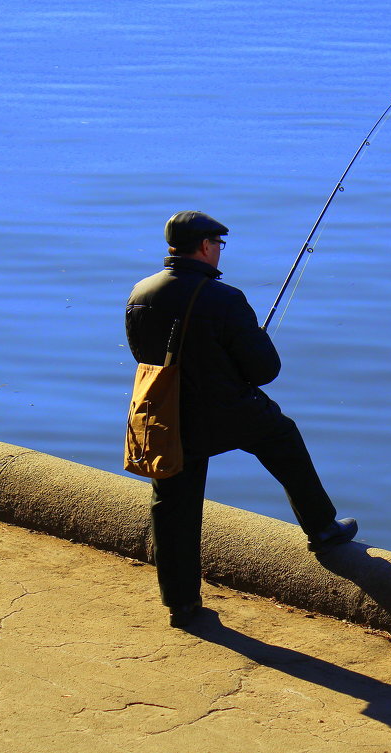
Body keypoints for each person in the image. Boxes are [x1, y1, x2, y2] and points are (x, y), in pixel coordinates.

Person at [125, 210, 358, 627]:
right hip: (230, 410)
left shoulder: (141, 292)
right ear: (204, 247)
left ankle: (181, 603)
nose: (219, 251)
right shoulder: (225, 299)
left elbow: (142, 353)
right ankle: (322, 528)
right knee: (283, 438)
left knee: (173, 502)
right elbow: (264, 370)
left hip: (167, 414)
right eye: (218, 244)